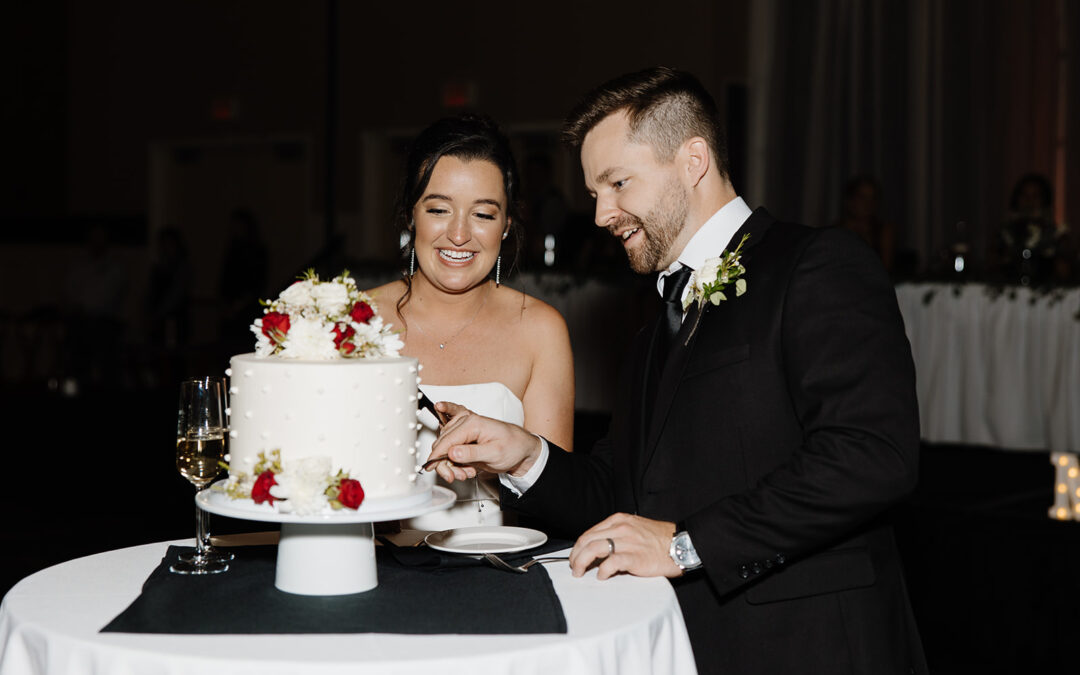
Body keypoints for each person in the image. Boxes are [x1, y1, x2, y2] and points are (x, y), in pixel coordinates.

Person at [428, 68, 926, 674]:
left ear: (693, 160)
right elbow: (619, 493)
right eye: (593, 194)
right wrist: (522, 453)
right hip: (689, 647)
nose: (601, 214)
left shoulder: (817, 265)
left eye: (617, 183)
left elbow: (871, 455)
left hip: (811, 645)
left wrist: (686, 545)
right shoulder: (650, 330)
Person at [366, 114, 575, 530]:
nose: (459, 234)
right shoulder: (355, 321)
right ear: (412, 216)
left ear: (505, 227)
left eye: (482, 214)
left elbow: (559, 501)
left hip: (496, 574)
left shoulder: (540, 330)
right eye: (439, 209)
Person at [832, 173, 897, 274]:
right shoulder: (835, 232)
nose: (868, 203)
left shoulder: (883, 231)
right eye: (862, 197)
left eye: (873, 198)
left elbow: (885, 270)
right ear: (849, 201)